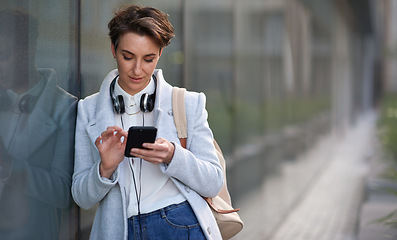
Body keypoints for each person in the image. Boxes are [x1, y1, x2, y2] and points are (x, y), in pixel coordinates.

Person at [72, 4, 224, 240]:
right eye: (127, 56)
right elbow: (82, 197)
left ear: (160, 54)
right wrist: (105, 168)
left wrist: (173, 155)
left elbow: (213, 182)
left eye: (148, 59)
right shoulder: (88, 110)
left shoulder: (188, 103)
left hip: (180, 224)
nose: (137, 69)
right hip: (119, 230)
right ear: (113, 50)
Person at [0, 8, 77, 239]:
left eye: (3, 55)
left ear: (29, 51)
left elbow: (64, 193)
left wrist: (9, 166)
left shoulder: (66, 108)